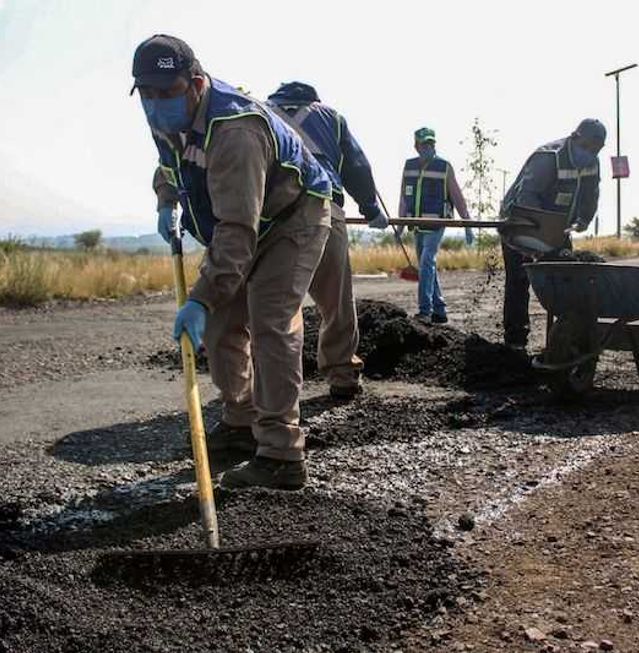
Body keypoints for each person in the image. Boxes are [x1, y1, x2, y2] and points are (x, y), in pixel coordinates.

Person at [135, 35, 331, 491]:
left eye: (166, 92)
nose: (155, 103)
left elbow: (237, 233)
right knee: (224, 325)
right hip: (243, 222)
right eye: (147, 94)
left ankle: (281, 455)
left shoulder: (235, 130)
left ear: (196, 83)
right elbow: (168, 165)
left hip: (291, 216)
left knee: (270, 318)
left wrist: (200, 299)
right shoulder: (166, 116)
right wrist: (167, 199)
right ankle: (241, 422)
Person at [266, 82, 388, 400]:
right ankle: (343, 374)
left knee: (269, 302)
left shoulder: (259, 113)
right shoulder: (330, 118)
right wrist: (371, 208)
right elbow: (357, 166)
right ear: (312, 99)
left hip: (268, 214)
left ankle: (265, 381)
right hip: (323, 208)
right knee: (336, 300)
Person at [498, 118, 605, 350]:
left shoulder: (592, 163)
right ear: (575, 138)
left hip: (558, 227)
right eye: (586, 147)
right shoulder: (548, 157)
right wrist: (537, 244)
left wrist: (583, 220)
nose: (590, 153)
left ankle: (566, 337)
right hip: (520, 222)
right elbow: (527, 197)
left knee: (566, 279)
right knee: (519, 278)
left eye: (596, 150)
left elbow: (590, 196)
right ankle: (515, 340)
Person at [397, 127, 473, 324]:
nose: (428, 147)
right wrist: (400, 224)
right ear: (416, 146)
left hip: (436, 223)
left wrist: (467, 223)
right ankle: (440, 310)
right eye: (424, 144)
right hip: (417, 224)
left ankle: (425, 310)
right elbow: (404, 197)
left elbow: (456, 195)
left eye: (431, 143)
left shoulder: (443, 166)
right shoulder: (409, 166)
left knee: (426, 262)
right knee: (427, 265)